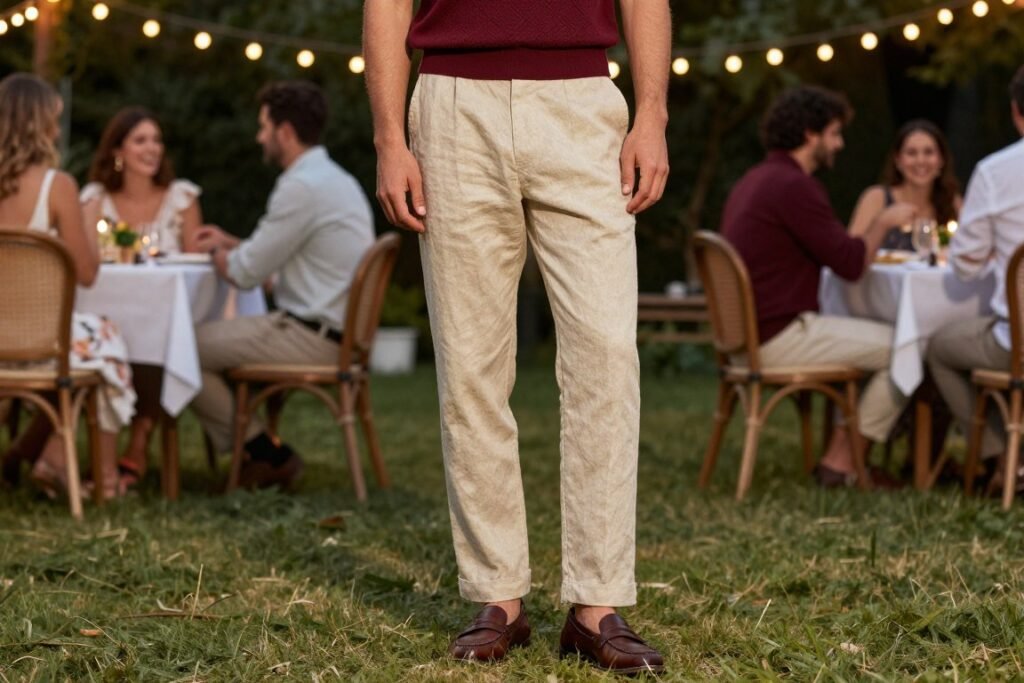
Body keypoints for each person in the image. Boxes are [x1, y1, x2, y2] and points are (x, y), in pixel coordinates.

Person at [364, 0, 670, 674]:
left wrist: (652, 114)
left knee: (608, 356)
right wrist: (390, 139)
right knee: (470, 361)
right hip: (450, 104)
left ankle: (597, 604)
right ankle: (498, 594)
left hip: (583, 101)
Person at [720, 86, 917, 488]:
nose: (839, 144)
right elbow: (849, 264)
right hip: (778, 336)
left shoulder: (755, 180)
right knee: (908, 346)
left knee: (890, 342)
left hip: (746, 340)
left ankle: (847, 455)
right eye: (834, 133)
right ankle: (843, 460)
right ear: (811, 134)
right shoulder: (794, 187)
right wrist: (882, 222)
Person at [191, 81, 374, 490]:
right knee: (188, 347)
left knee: (182, 350)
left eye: (263, 127)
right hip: (339, 334)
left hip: (310, 337)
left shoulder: (300, 187)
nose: (260, 137)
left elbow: (244, 273)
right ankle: (261, 451)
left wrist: (213, 254)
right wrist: (231, 243)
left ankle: (265, 454)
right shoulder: (333, 179)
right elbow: (276, 254)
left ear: (284, 132)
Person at [0, 73, 136, 499]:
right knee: (108, 338)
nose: (57, 130)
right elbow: (87, 273)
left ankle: (48, 452)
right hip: (40, 347)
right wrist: (88, 220)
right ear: (39, 125)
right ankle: (100, 477)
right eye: (53, 120)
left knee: (94, 340)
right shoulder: (57, 187)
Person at [80, 107, 204, 489]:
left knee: (156, 342)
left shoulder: (181, 197)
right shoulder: (95, 199)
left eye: (156, 140)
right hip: (104, 312)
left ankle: (138, 441)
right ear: (117, 150)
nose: (153, 148)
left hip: (166, 317)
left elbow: (195, 261)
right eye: (141, 140)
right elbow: (83, 257)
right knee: (113, 340)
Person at [926, 65, 1024, 492]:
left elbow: (964, 265)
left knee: (939, 348)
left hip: (1017, 345)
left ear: (1017, 113)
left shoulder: (996, 171)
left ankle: (1004, 459)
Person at [849, 119, 962, 251]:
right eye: (911, 153)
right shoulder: (877, 198)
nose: (920, 161)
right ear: (898, 161)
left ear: (941, 160)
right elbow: (850, 255)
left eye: (928, 152)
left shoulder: (953, 203)